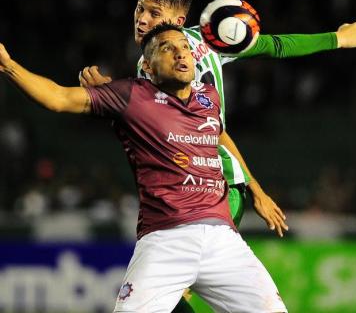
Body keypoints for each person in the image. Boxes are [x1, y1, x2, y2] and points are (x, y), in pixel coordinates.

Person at [0, 23, 289, 312]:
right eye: (168, 48)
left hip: (223, 239)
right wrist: (9, 66)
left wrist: (254, 187)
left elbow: (220, 136)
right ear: (148, 67)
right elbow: (59, 98)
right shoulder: (131, 96)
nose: (181, 54)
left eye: (185, 48)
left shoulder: (209, 97)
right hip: (167, 240)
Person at [80, 0, 356, 236]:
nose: (142, 19)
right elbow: (275, 45)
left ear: (177, 21)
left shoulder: (161, 67)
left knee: (172, 279)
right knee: (178, 283)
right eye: (141, 8)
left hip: (211, 188)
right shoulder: (209, 38)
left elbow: (207, 130)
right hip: (199, 189)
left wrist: (111, 99)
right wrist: (336, 38)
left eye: (154, 13)